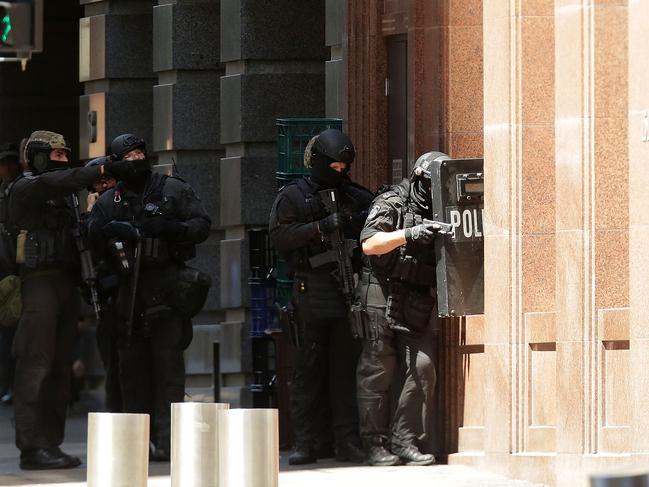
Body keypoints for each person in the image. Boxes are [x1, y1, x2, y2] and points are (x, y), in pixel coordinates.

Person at [87, 134, 211, 461]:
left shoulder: (171, 190)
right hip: (128, 291)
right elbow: (90, 245)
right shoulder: (107, 202)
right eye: (128, 157)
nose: (136, 161)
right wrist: (112, 242)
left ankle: (169, 441)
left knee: (168, 367)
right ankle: (135, 444)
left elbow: (201, 224)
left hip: (166, 284)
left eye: (140, 153)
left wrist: (170, 228)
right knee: (131, 370)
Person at [7, 130, 123, 470]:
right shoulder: (25, 188)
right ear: (39, 157)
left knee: (59, 369)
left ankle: (50, 443)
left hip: (65, 283)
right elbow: (59, 182)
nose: (62, 162)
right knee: (35, 365)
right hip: (37, 283)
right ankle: (31, 446)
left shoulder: (67, 197)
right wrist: (99, 169)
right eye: (55, 156)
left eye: (64, 156)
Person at [269, 128, 373, 465]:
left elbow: (372, 232)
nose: (339, 173)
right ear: (317, 162)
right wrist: (320, 227)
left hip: (346, 292)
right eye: (334, 167)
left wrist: (353, 224)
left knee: (345, 371)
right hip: (310, 290)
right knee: (308, 371)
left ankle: (346, 440)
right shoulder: (293, 197)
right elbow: (282, 238)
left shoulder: (355, 197)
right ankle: (307, 442)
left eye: (344, 168)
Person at [356, 152, 442, 466]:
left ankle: (405, 441)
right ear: (420, 179)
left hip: (414, 296)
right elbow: (369, 243)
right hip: (379, 289)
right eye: (432, 184)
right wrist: (407, 234)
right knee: (378, 370)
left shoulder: (441, 207)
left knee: (422, 367)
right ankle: (374, 444)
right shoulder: (392, 202)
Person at [0, 143, 23, 405]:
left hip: (16, 272)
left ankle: (12, 385)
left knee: (13, 336)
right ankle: (8, 384)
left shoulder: (15, 192)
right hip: (6, 272)